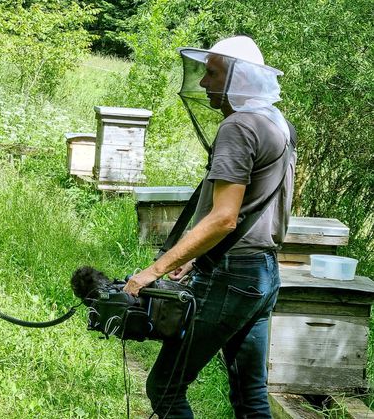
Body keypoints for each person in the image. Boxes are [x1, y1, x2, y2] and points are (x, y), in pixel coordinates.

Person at [123, 36, 296, 417]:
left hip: (232, 275)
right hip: (263, 272)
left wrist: (154, 271)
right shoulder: (277, 123)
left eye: (212, 73)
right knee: (250, 396)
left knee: (165, 386)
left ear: (239, 77)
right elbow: (260, 209)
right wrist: (193, 256)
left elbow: (224, 217)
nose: (203, 82)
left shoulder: (239, 126)